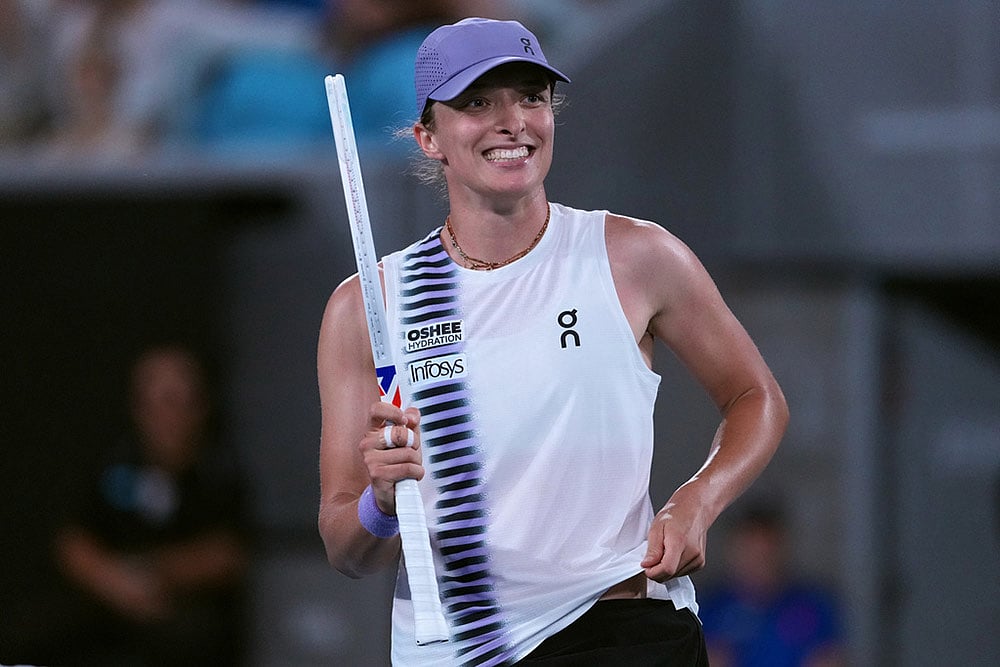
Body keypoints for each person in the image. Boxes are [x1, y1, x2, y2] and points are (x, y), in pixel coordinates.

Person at [317, 17, 789, 665]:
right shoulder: (368, 305)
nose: (513, 120)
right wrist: (380, 500)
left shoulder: (633, 256)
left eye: (531, 96)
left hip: (616, 626)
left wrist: (697, 500)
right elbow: (346, 547)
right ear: (429, 137)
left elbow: (756, 395)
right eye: (478, 102)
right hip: (459, 649)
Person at [55, 344, 249, 666]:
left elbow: (229, 553)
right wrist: (116, 583)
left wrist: (153, 575)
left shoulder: (219, 472)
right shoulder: (113, 464)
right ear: (138, 407)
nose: (171, 416)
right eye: (161, 402)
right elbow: (73, 541)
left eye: (183, 402)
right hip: (110, 602)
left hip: (185, 614)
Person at [697, 499, 845, 667]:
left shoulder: (815, 605)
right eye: (750, 553)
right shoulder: (708, 610)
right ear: (732, 552)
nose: (759, 565)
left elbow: (829, 658)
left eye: (766, 555)